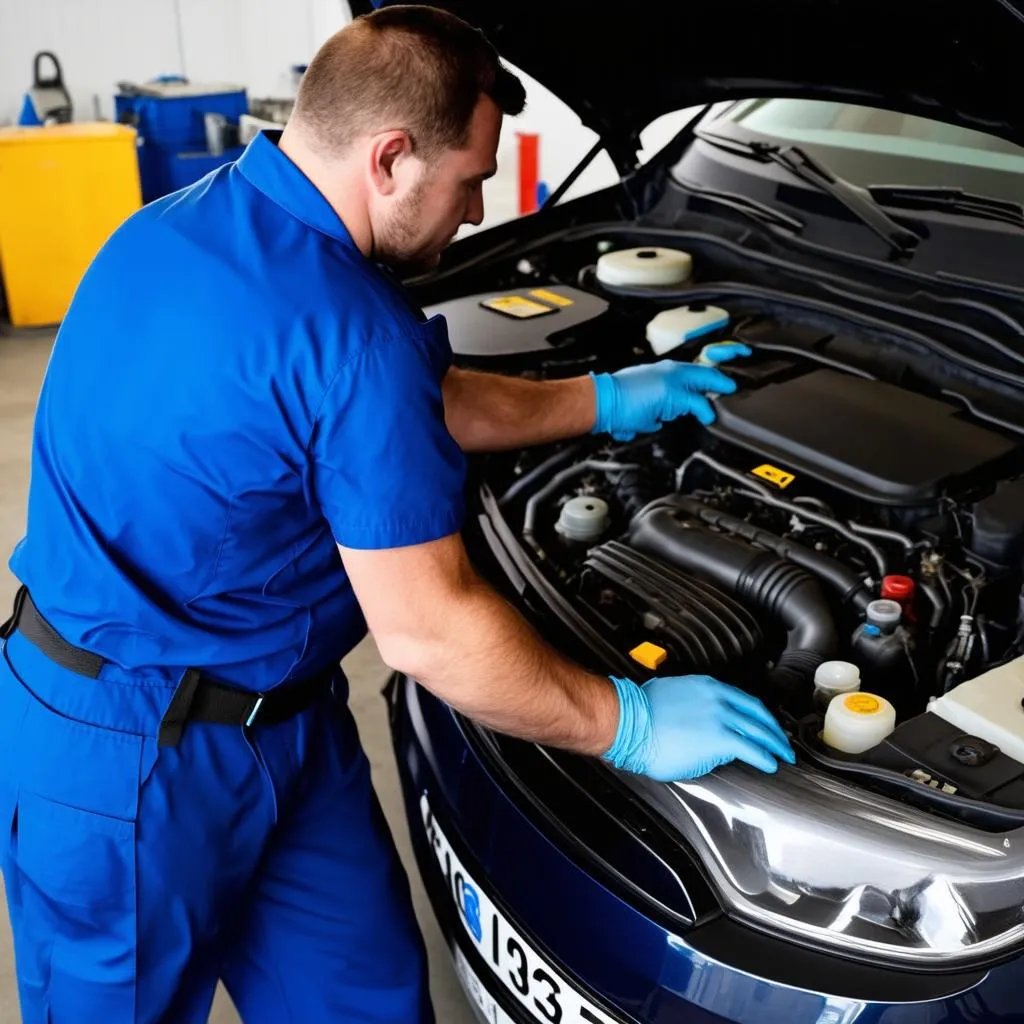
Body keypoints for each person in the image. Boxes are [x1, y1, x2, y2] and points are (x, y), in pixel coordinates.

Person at [0, 6, 794, 1023]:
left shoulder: (177, 225)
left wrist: (610, 395)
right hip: (123, 759)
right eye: (469, 179)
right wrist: (625, 719)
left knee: (365, 996)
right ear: (388, 158)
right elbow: (426, 632)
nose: (473, 213)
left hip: (283, 721)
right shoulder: (351, 329)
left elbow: (412, 402)